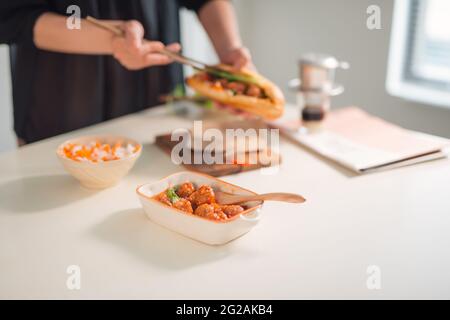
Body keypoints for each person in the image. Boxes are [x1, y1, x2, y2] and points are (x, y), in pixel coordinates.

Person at [0, 0, 253, 145]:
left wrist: (230, 49)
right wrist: (111, 41)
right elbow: (13, 17)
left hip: (156, 104)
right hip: (59, 103)